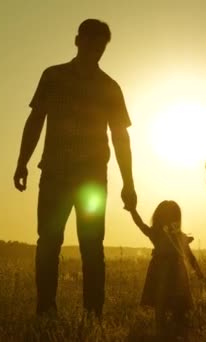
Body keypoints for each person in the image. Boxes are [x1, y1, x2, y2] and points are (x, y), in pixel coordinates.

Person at [13, 18, 137, 318]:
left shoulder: (110, 88)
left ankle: (93, 315)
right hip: (55, 174)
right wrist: (22, 162)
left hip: (92, 180)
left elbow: (120, 137)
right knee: (49, 243)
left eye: (101, 47)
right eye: (91, 43)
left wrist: (128, 183)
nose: (95, 51)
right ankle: (45, 311)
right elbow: (35, 121)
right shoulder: (53, 77)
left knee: (92, 247)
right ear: (77, 40)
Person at [129, 200, 204, 339]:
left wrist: (133, 211)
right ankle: (165, 330)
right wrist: (133, 211)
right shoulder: (166, 235)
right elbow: (190, 256)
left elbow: (190, 256)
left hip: (167, 271)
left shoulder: (172, 235)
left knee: (167, 302)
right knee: (164, 301)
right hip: (168, 272)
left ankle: (167, 329)